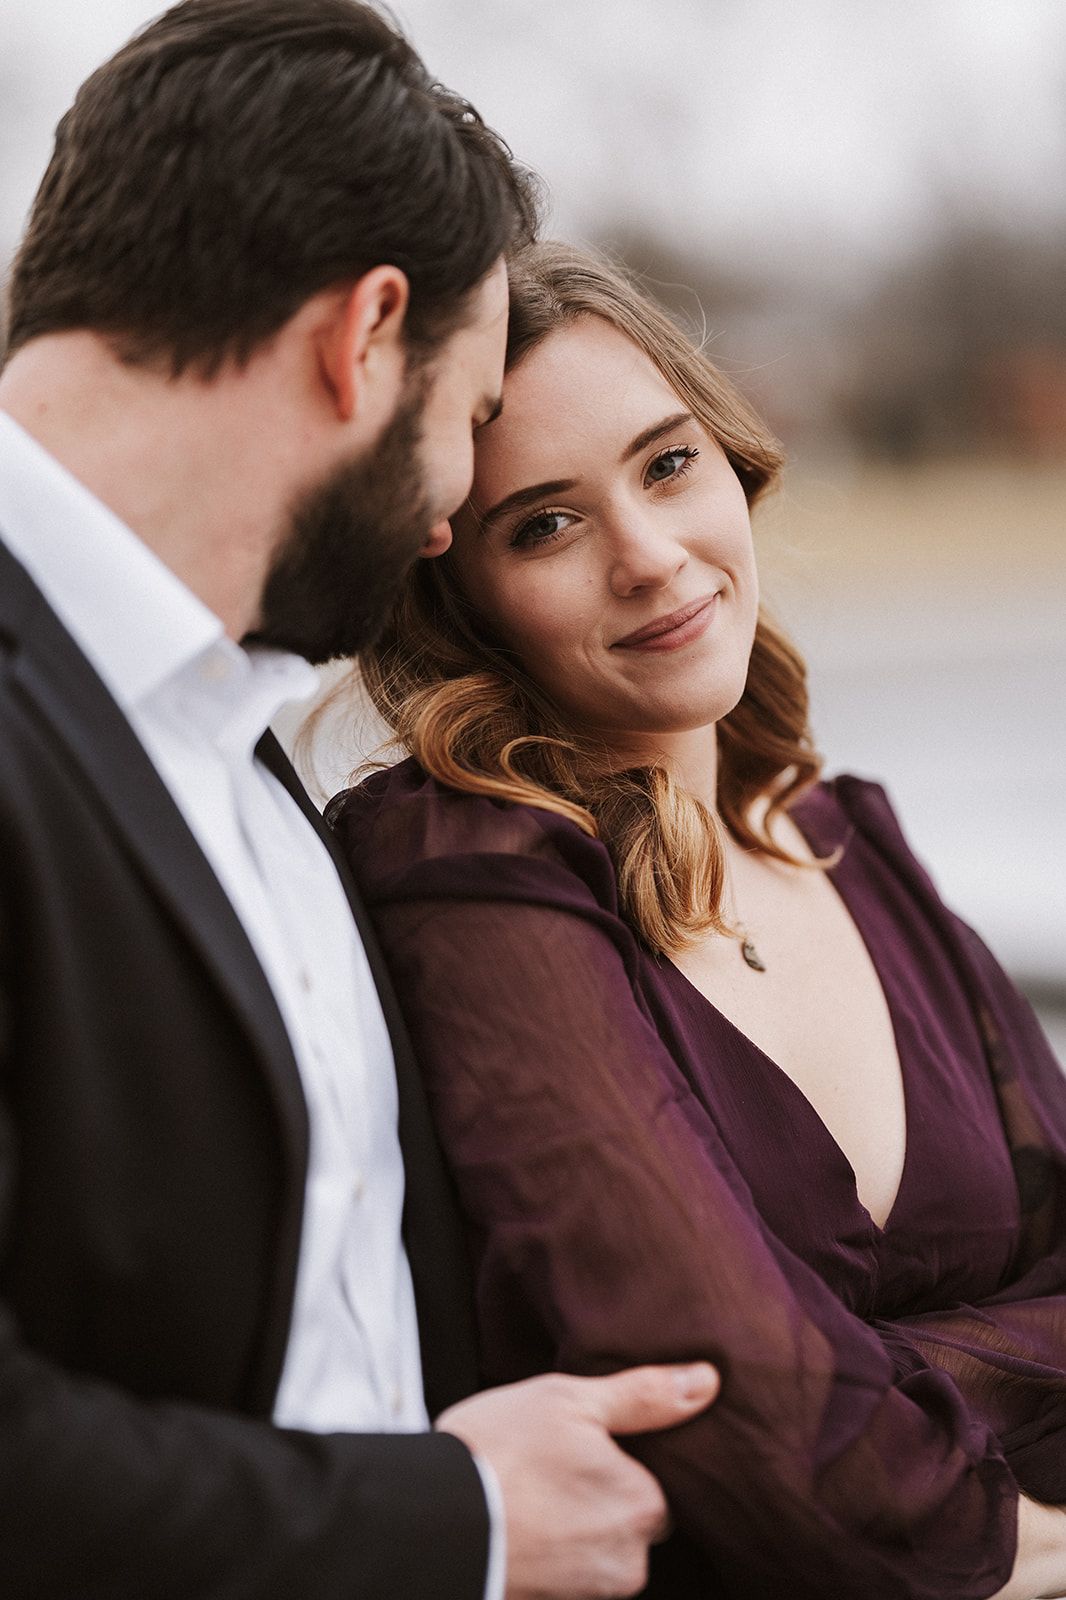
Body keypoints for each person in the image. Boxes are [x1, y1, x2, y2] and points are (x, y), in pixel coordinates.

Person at [0, 8, 721, 1597]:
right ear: (362, 336)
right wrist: (447, 1525)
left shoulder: (226, 722)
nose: (456, 503)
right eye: (470, 419)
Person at [329, 240, 1066, 1600]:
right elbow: (720, 1395)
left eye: (666, 464)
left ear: (732, 459)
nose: (651, 558)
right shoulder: (468, 865)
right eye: (542, 524)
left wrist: (861, 1394)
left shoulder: (850, 838)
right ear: (459, 595)